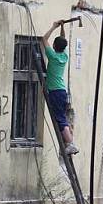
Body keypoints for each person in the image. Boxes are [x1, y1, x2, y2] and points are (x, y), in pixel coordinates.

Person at [42, 20, 79, 155]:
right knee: (61, 116)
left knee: (60, 118)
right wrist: (62, 27)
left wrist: (53, 27)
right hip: (62, 91)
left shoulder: (52, 56)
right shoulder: (64, 56)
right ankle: (69, 141)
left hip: (55, 92)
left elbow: (44, 39)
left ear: (54, 46)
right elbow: (62, 41)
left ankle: (70, 144)